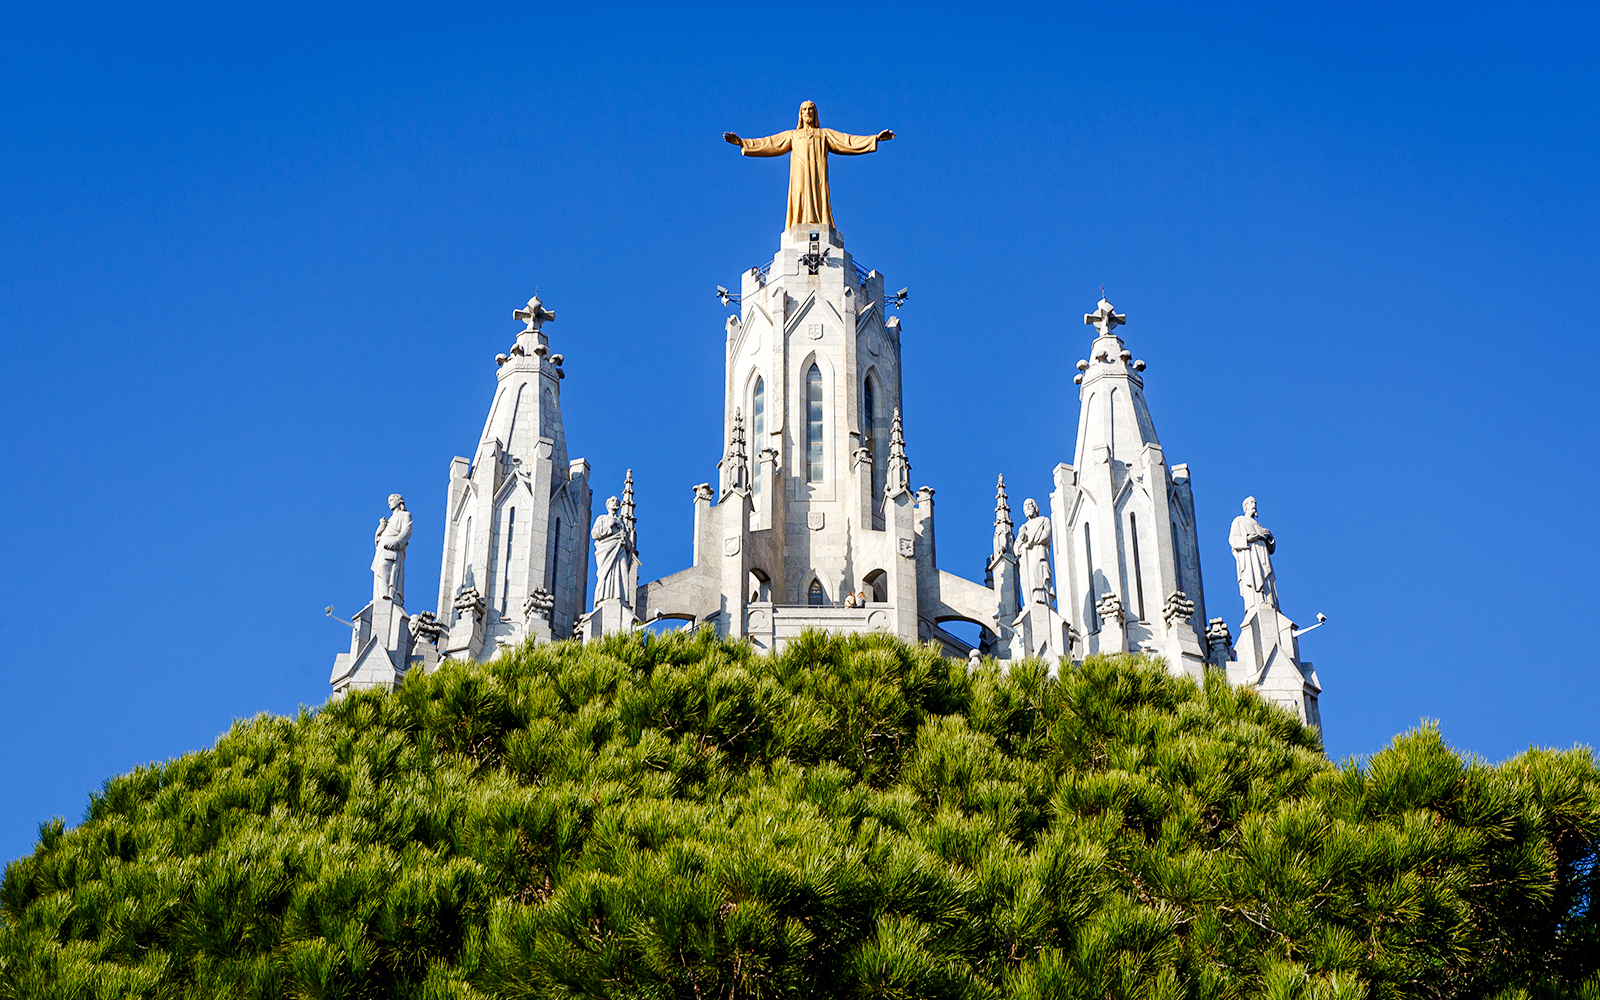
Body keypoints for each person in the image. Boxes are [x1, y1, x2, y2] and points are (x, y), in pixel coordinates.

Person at [724, 101, 894, 230]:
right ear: (800, 114)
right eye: (804, 109)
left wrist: (875, 138)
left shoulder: (824, 134)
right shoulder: (793, 135)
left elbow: (847, 140)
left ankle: (821, 223)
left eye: (811, 109)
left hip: (818, 176)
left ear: (815, 113)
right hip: (799, 175)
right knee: (799, 195)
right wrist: (743, 143)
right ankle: (798, 224)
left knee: (819, 196)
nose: (808, 112)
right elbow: (769, 143)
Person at [1229, 496, 1278, 612]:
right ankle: (1256, 603)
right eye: (1251, 503)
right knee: (1253, 577)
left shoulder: (1259, 525)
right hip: (1250, 555)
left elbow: (1271, 549)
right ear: (1246, 507)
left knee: (1267, 578)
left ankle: (1269, 602)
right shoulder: (1239, 521)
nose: (1254, 505)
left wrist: (1270, 536)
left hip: (1263, 556)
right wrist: (1247, 540)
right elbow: (1233, 539)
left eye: (1255, 503)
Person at [592, 497, 635, 605]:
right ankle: (604, 597)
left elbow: (629, 546)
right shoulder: (602, 518)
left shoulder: (622, 523)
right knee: (605, 573)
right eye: (612, 501)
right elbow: (594, 534)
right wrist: (608, 526)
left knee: (623, 572)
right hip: (606, 550)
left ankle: (621, 599)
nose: (615, 502)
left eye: (617, 501)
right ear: (607, 505)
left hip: (620, 550)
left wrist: (625, 540)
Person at [372, 494, 412, 603]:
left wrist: (397, 542)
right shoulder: (389, 520)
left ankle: (388, 595)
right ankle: (380, 596)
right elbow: (378, 537)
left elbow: (406, 531)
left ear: (398, 501)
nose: (389, 502)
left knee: (386, 569)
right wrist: (382, 526)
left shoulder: (405, 515)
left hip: (392, 549)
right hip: (382, 549)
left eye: (391, 500)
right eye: (388, 501)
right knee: (380, 570)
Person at [1015, 499, 1054, 606]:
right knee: (1028, 578)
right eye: (1025, 506)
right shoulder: (1024, 527)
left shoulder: (1044, 520)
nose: (1027, 507)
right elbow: (1016, 548)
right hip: (1025, 557)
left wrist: (1030, 543)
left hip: (1038, 553)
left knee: (1037, 572)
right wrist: (1022, 540)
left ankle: (1041, 598)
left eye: (1029, 505)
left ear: (1035, 507)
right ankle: (1030, 601)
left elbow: (1046, 536)